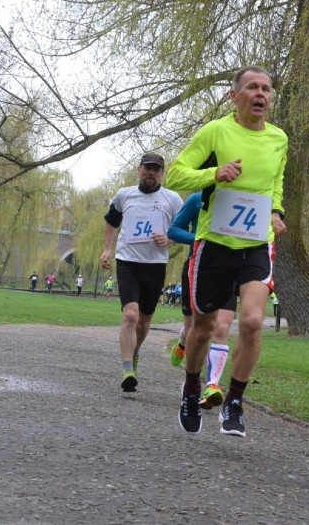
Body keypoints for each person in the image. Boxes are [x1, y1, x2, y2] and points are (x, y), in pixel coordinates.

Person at [166, 65, 287, 437]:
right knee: (202, 330)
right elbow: (175, 175)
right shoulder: (216, 131)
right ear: (235, 96)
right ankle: (191, 389)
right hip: (214, 243)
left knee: (251, 321)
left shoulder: (279, 139)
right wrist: (213, 174)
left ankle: (234, 400)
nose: (260, 94)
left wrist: (277, 212)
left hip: (255, 243)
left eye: (266, 88)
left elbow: (275, 182)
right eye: (252, 87)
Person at [100, 152, 183, 392]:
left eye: (156, 169)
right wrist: (107, 249)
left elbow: (183, 230)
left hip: (156, 265)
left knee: (145, 319)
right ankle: (127, 369)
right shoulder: (124, 195)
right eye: (147, 168)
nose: (151, 173)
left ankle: (134, 353)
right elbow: (111, 220)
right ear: (139, 170)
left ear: (162, 173)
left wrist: (168, 238)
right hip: (127, 262)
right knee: (131, 315)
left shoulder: (172, 199)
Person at [167, 190, 237, 410]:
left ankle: (212, 385)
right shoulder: (198, 198)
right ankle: (182, 342)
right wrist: (198, 239)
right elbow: (173, 230)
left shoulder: (245, 197)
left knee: (221, 329)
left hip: (229, 269)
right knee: (194, 329)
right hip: (197, 268)